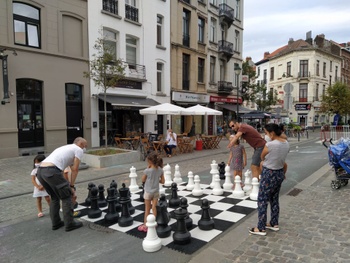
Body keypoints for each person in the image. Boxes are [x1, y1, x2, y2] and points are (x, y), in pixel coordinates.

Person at [37, 137, 88, 232]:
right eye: (85, 146)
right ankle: (70, 223)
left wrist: (66, 184)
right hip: (52, 171)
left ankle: (56, 223)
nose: (85, 148)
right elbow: (75, 169)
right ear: (80, 144)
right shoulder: (78, 150)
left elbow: (64, 168)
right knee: (67, 196)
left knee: (54, 197)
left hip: (40, 171)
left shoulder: (66, 148)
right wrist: (71, 186)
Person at [249, 123, 289, 236]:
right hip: (280, 172)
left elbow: (262, 156)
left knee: (262, 200)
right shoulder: (286, 144)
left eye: (266, 133)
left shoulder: (270, 144)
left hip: (269, 173)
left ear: (271, 133)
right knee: (274, 199)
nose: (265, 135)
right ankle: (274, 223)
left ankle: (260, 228)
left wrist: (264, 161)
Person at [138, 152, 165, 232]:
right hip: (156, 192)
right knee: (154, 207)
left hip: (148, 192)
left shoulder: (147, 170)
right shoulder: (160, 170)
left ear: (149, 161)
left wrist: (147, 168)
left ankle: (145, 225)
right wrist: (157, 180)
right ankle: (154, 223)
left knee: (147, 208)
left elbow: (142, 180)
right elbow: (163, 181)